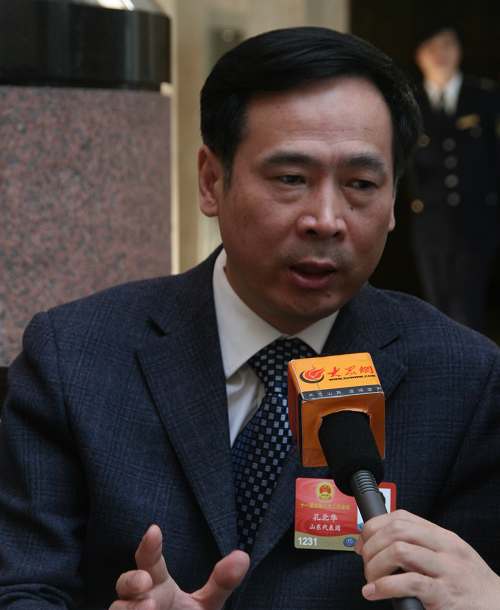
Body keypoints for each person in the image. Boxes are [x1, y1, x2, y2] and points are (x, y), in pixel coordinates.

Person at [0, 27, 499, 610]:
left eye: (361, 184)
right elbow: (22, 589)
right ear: (212, 181)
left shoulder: (465, 381)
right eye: (291, 179)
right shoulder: (74, 358)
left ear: (392, 202)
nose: (326, 220)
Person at [409, 25, 500, 332]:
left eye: (447, 44)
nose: (440, 54)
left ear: (459, 50)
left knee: (468, 308)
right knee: (435, 305)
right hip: (429, 222)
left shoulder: (486, 97)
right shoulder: (409, 103)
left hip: (478, 219)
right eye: (431, 47)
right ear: (419, 55)